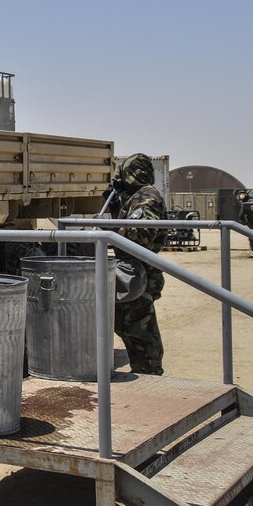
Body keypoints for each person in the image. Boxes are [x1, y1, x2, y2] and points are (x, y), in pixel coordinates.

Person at [110, 153, 168, 375]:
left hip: (139, 273)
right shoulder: (136, 196)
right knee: (129, 325)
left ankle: (149, 375)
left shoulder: (147, 197)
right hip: (133, 273)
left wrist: (109, 232)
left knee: (141, 332)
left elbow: (139, 235)